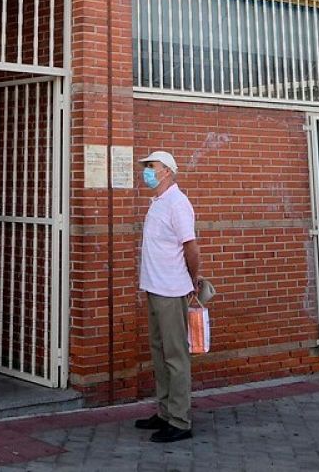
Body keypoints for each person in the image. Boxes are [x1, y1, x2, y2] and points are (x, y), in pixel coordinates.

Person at [132, 150, 200, 444]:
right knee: (160, 356)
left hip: (172, 292)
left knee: (175, 358)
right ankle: (164, 412)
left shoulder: (178, 203)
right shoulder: (157, 202)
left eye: (152, 167)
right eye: (146, 167)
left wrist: (192, 280)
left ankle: (180, 420)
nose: (147, 171)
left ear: (168, 171)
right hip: (154, 289)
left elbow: (191, 247)